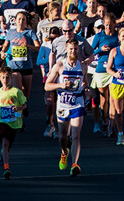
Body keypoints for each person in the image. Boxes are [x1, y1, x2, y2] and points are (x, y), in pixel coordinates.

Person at [46, 36, 88, 176]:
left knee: (76, 135)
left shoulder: (83, 66)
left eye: (75, 49)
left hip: (77, 103)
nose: (73, 51)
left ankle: (75, 164)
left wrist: (85, 88)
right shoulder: (59, 66)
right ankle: (64, 152)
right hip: (63, 105)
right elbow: (47, 86)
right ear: (66, 49)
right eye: (70, 49)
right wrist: (61, 85)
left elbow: (85, 82)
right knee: (62, 136)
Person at [0, 65, 28, 179]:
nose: (5, 79)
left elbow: (24, 105)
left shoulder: (16, 92)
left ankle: (3, 157)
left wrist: (18, 108)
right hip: (2, 121)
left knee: (8, 144)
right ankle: (6, 168)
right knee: (5, 143)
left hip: (14, 122)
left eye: (7, 77)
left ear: (11, 78)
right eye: (3, 77)